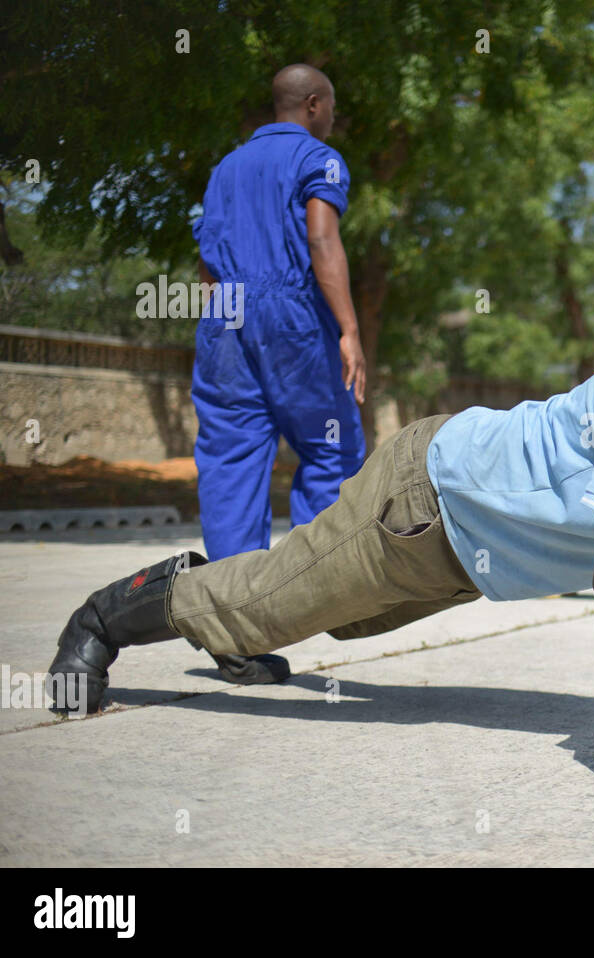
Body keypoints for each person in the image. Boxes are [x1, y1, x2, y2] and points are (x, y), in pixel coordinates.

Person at [48, 296, 594, 805]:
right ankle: (105, 620)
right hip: (426, 501)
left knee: (319, 624)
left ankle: (230, 624)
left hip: (471, 558)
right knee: (265, 601)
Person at [189, 64, 368, 686]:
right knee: (332, 445)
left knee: (232, 459)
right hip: (289, 314)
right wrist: (347, 327)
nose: (333, 119)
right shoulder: (319, 157)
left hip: (224, 316)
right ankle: (308, 589)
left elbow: (208, 263)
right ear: (314, 104)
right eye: (333, 108)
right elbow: (322, 238)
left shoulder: (224, 169)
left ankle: (235, 630)